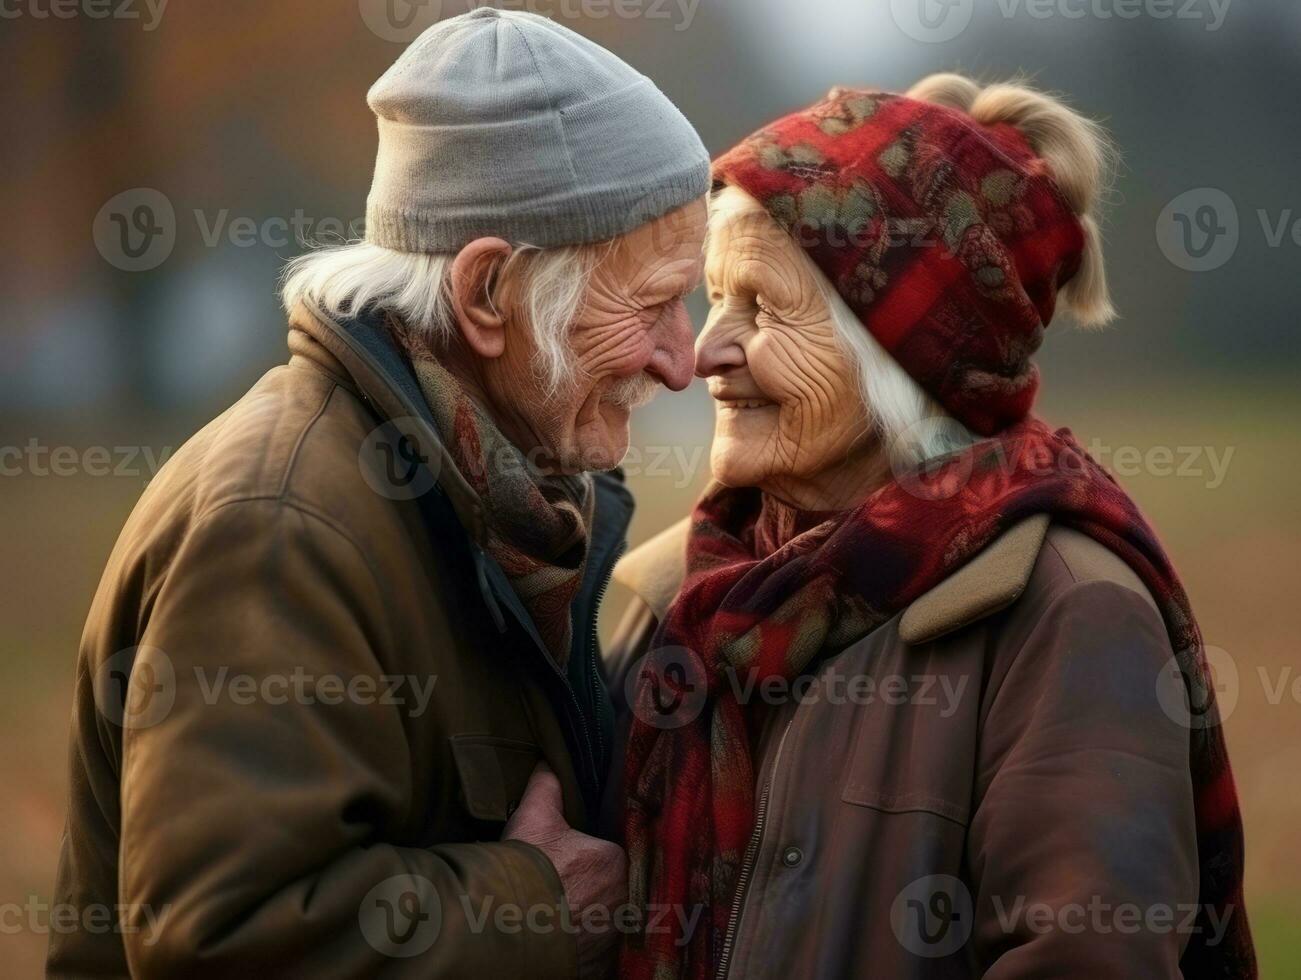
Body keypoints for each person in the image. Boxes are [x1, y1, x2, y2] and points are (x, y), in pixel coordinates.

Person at [49, 9, 709, 978]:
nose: (681, 358)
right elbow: (224, 941)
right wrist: (532, 905)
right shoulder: (279, 528)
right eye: (650, 303)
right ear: (487, 295)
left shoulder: (496, 498)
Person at [608, 75, 1255, 979]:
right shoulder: (674, 596)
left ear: (905, 359)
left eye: (762, 307)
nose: (705, 350)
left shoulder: (1069, 617)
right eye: (712, 299)